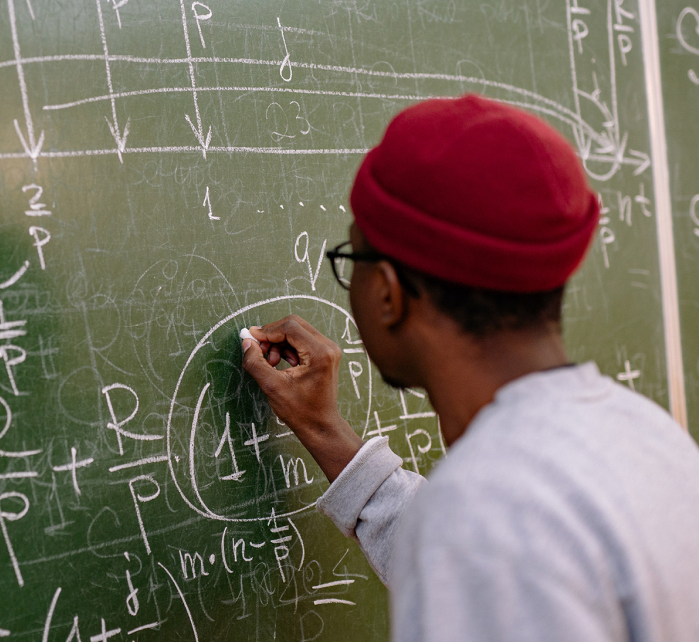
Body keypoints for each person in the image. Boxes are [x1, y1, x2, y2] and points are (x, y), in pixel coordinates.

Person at [239, 94, 699, 641]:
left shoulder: (481, 517)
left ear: (387, 293)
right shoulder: (648, 437)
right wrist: (323, 429)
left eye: (351, 257)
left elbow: (481, 545)